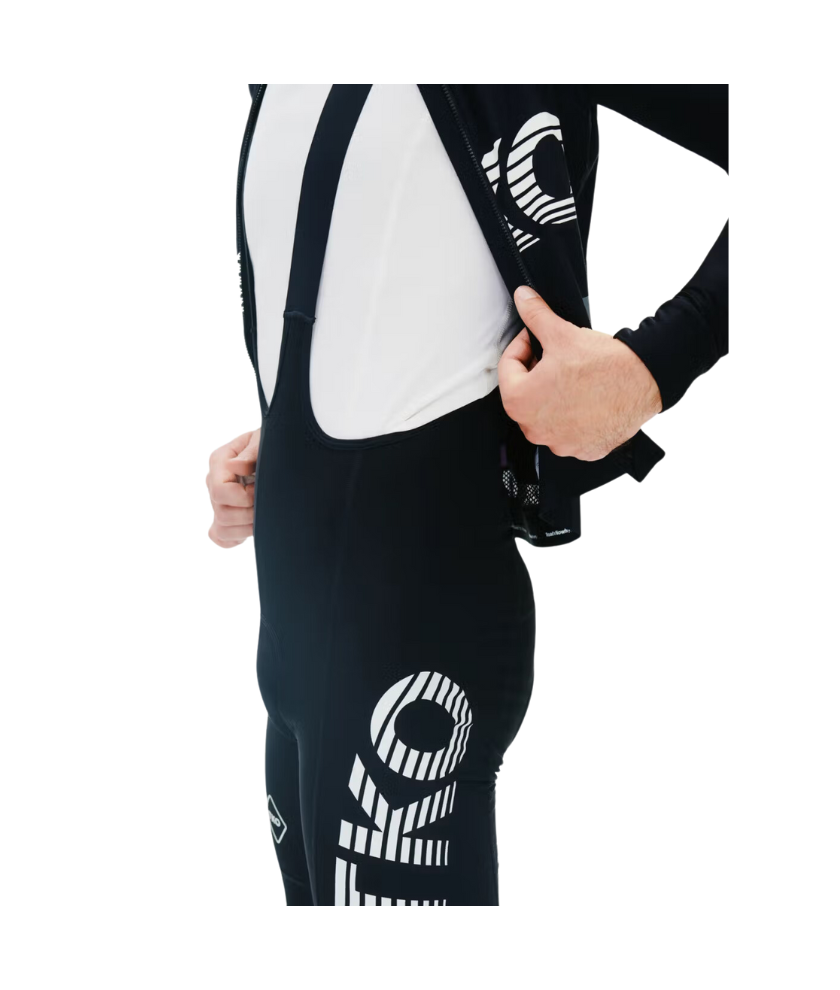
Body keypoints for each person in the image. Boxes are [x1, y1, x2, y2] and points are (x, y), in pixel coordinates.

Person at [206, 84, 728, 906]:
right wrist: (292, 443)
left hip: (414, 658)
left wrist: (653, 366)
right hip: (291, 651)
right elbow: (374, 280)